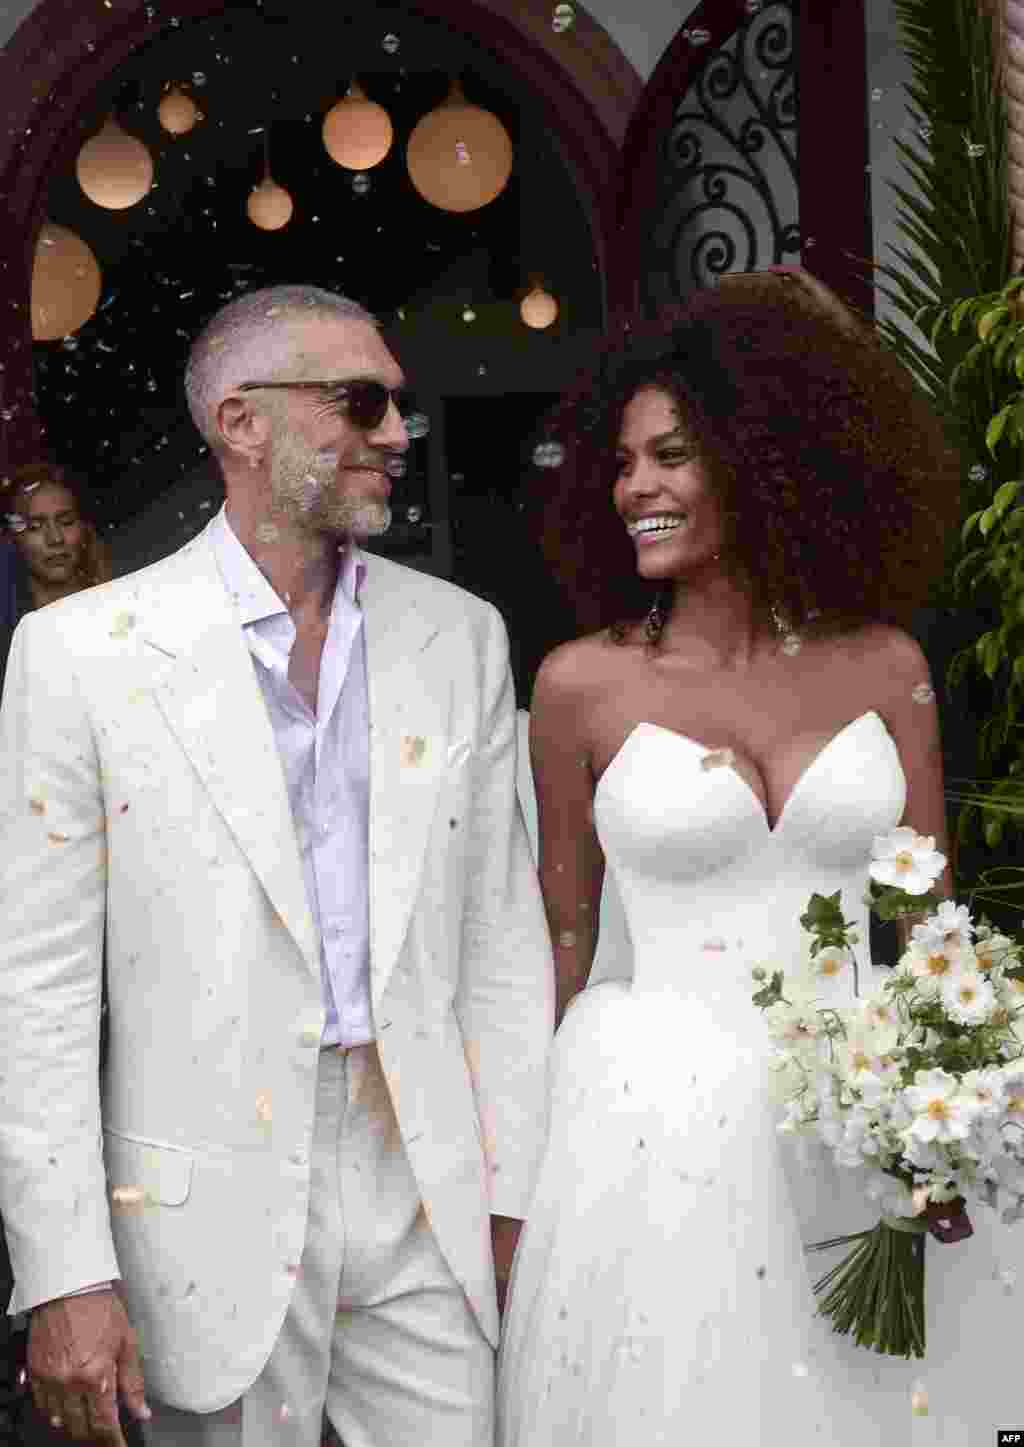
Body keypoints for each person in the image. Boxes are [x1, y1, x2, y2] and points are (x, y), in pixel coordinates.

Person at [0, 283, 554, 1447]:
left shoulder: (462, 636)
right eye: (361, 402)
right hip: (203, 1207)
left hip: (425, 1185)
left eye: (397, 405)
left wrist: (512, 1204)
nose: (398, 434)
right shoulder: (78, 654)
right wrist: (63, 1274)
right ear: (241, 423)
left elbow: (501, 947)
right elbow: (36, 995)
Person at [496, 269, 1021, 1444]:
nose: (639, 487)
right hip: (654, 1134)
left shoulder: (886, 667)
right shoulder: (578, 684)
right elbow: (562, 939)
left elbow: (930, 925)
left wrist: (948, 1113)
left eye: (672, 455)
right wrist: (511, 1177)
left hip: (858, 1123)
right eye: (624, 464)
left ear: (761, 457)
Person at [0, 463, 112, 693]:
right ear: (13, 538)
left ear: (84, 528)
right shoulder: (13, 647)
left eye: (66, 521)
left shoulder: (120, 605)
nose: (55, 538)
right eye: (35, 526)